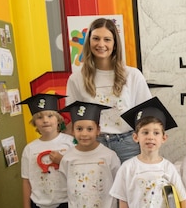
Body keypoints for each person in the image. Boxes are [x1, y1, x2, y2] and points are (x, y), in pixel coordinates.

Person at [65, 17, 152, 163]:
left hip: (128, 144)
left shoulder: (132, 75)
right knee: (97, 186)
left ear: (115, 44)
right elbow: (75, 120)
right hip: (94, 144)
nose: (101, 44)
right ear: (89, 42)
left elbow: (146, 115)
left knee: (129, 186)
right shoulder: (76, 79)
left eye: (107, 39)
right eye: (96, 38)